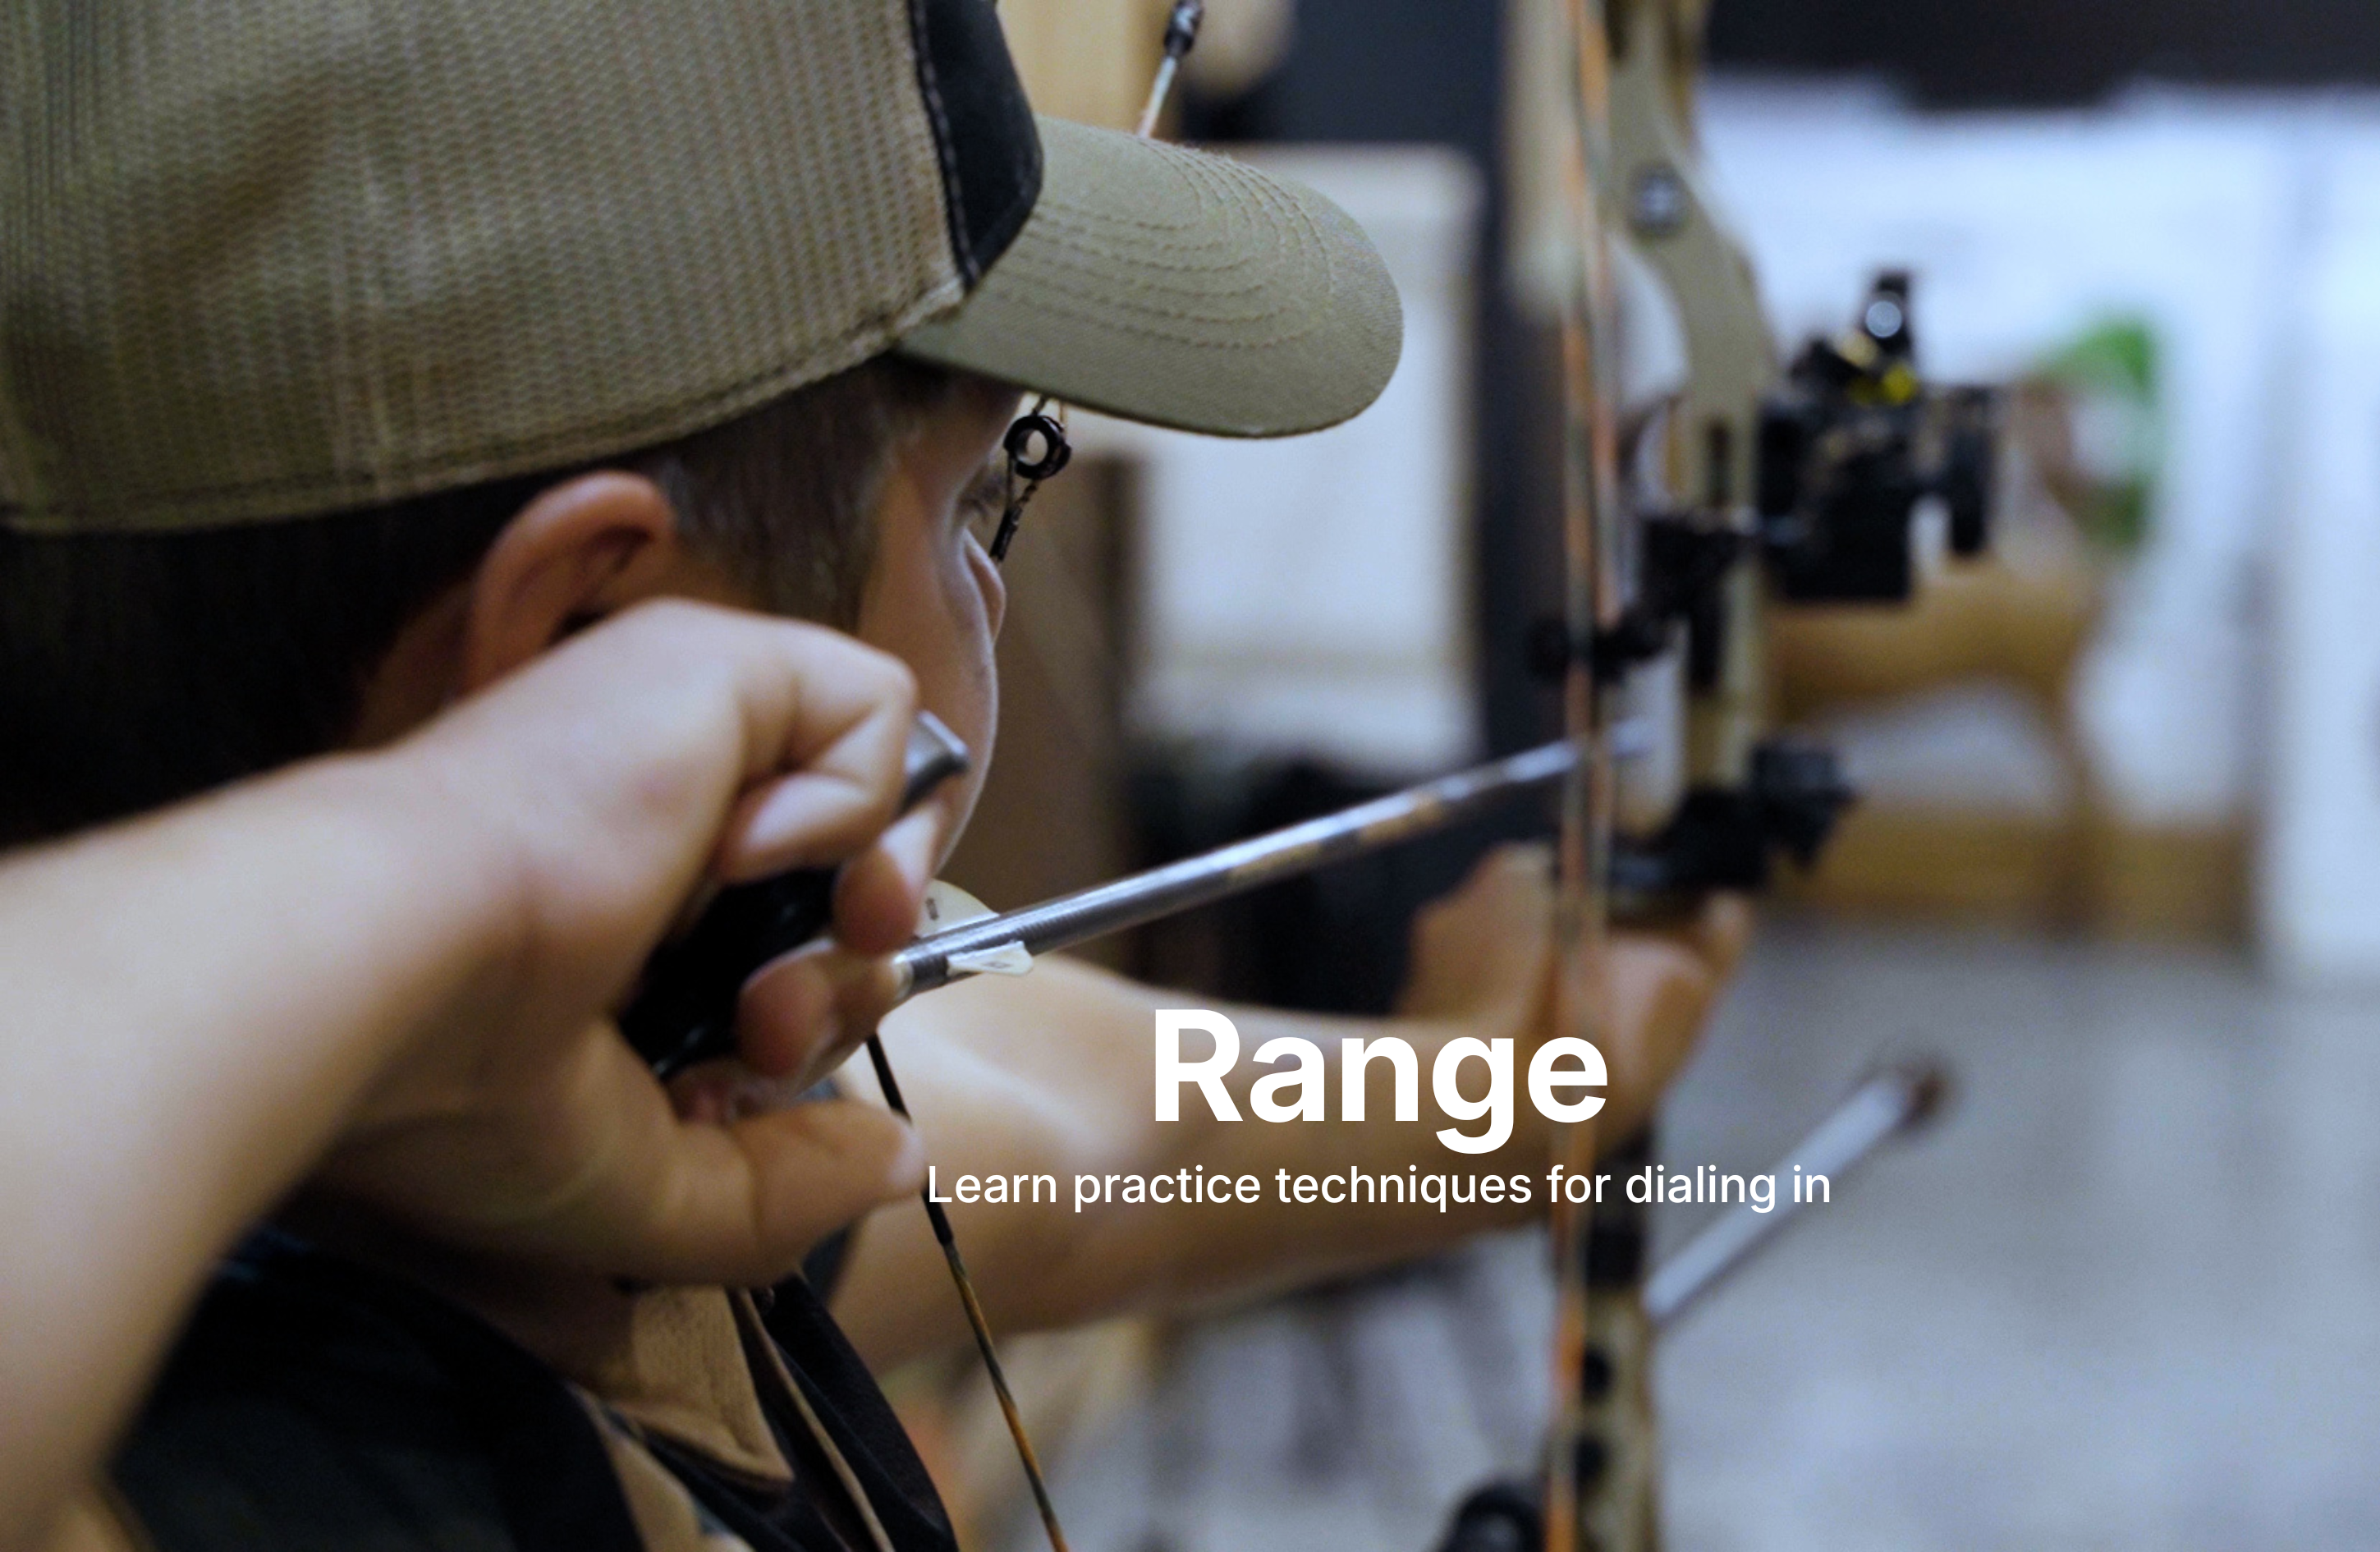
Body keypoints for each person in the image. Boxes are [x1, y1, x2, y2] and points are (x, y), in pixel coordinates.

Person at [4, 3, 1740, 1550]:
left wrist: (1504, 1093)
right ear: (591, 650)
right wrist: (436, 859)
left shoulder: (557, 1166)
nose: (994, 586)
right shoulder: (205, 1461)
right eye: (980, 498)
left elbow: (1096, 1127)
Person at [0, 604, 944, 1552]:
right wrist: (451, 862)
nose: (986, 595)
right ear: (560, 623)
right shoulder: (250, 1454)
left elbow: (1034, 1120)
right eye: (967, 529)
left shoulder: (613, 1161)